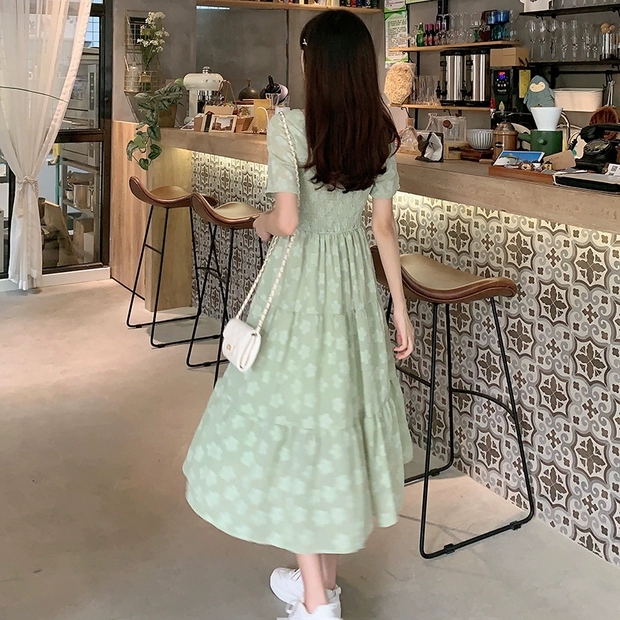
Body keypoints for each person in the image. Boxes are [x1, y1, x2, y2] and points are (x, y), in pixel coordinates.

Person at [183, 9, 414, 620]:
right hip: (354, 292)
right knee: (333, 425)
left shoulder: (287, 126)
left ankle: (316, 605)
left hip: (301, 292)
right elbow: (383, 230)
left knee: (301, 429)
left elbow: (286, 221)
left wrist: (260, 223)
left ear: (317, 66)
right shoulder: (381, 133)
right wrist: (399, 309)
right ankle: (322, 585)